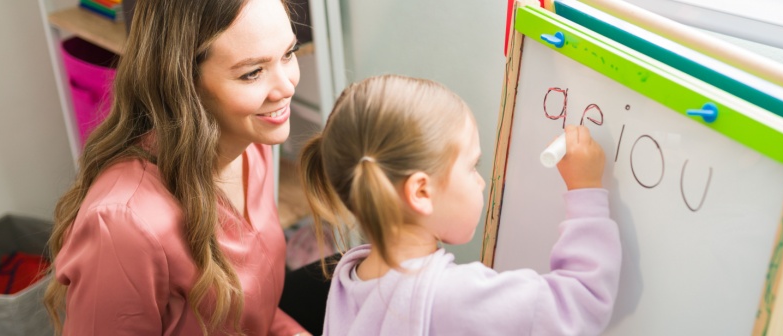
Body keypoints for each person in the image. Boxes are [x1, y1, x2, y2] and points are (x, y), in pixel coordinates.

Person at [43, 0, 310, 334]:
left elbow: (257, 316)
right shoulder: (123, 224)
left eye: (289, 53)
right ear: (183, 83)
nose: (287, 86)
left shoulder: (252, 143)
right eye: (252, 73)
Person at [301, 74, 623, 335]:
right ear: (421, 193)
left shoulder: (350, 279)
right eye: (472, 167)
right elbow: (581, 302)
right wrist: (586, 190)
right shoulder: (453, 297)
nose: (482, 181)